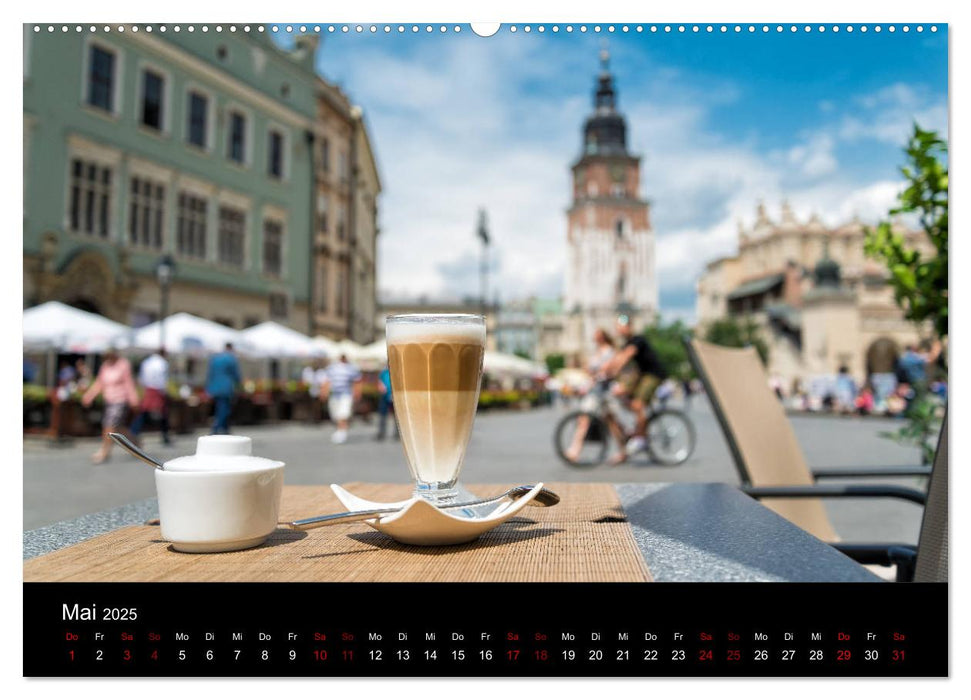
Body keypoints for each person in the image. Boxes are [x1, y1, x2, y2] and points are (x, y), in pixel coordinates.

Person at [600, 314, 667, 465]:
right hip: (641, 377)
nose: (620, 330)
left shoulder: (638, 340)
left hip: (653, 375)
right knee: (620, 397)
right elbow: (615, 359)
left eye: (622, 326)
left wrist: (612, 371)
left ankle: (641, 439)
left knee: (637, 405)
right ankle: (635, 432)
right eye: (618, 327)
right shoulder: (625, 344)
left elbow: (624, 358)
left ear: (629, 327)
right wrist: (602, 370)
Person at [564, 329, 616, 462]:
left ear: (602, 337)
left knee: (591, 419)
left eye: (596, 335)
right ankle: (575, 449)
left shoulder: (609, 351)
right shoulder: (597, 352)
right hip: (594, 389)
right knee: (593, 420)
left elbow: (607, 370)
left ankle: (575, 450)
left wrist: (594, 372)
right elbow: (589, 369)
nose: (594, 338)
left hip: (602, 390)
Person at [81, 347, 140, 464]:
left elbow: (128, 383)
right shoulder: (105, 366)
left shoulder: (123, 365)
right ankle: (135, 441)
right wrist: (89, 395)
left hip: (120, 399)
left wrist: (134, 399)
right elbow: (100, 383)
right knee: (117, 427)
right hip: (109, 400)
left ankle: (105, 451)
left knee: (109, 425)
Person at [130, 349, 171, 446]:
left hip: (148, 388)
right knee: (162, 413)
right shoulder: (162, 363)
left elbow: (142, 377)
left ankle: (134, 430)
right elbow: (162, 379)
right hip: (157, 389)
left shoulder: (147, 362)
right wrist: (164, 391)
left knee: (146, 412)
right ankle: (164, 435)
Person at [322, 354, 362, 444]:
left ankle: (342, 433)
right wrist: (324, 391)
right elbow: (327, 381)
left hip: (346, 394)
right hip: (335, 394)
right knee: (335, 415)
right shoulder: (332, 368)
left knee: (343, 414)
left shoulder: (351, 368)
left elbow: (357, 381)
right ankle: (340, 430)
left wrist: (357, 392)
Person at [206, 342, 242, 435]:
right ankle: (216, 427)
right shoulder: (231, 359)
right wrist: (239, 386)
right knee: (224, 409)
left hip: (215, 387)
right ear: (231, 348)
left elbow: (210, 374)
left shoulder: (215, 359)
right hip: (226, 387)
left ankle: (225, 428)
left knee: (219, 407)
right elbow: (236, 375)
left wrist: (209, 387)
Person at [375, 364, 398, 441]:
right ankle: (381, 433)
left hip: (395, 396)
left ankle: (397, 434)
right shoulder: (384, 372)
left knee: (396, 417)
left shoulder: (396, 372)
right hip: (385, 396)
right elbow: (379, 381)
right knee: (382, 415)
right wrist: (380, 387)